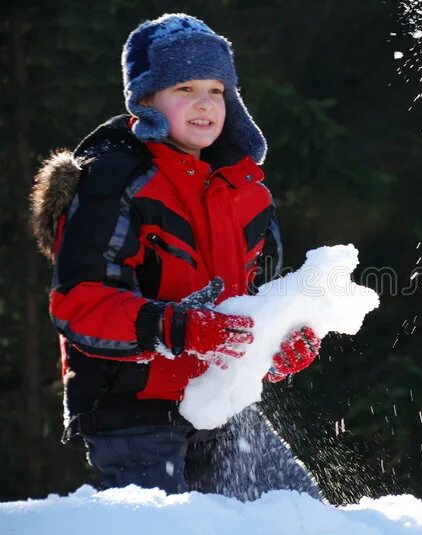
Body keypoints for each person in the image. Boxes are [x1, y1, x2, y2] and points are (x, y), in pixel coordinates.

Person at [30, 13, 322, 500]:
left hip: (218, 400)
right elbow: (78, 302)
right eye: (185, 88)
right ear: (145, 99)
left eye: (216, 90)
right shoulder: (115, 177)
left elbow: (259, 301)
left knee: (296, 513)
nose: (204, 104)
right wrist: (179, 329)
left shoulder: (244, 190)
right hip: (132, 411)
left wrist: (280, 342)